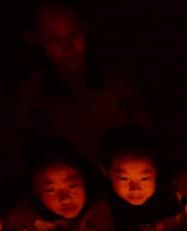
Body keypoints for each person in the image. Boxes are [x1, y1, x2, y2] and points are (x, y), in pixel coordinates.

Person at [16, 2, 148, 165]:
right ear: (34, 39)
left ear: (84, 28)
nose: (67, 47)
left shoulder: (117, 82)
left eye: (73, 34)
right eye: (54, 40)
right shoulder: (32, 96)